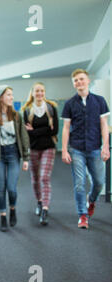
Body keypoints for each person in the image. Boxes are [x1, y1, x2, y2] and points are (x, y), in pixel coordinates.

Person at [61, 69, 110, 229]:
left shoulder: (99, 101)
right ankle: (82, 215)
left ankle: (92, 200)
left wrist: (105, 146)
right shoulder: (69, 104)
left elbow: (104, 125)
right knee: (79, 183)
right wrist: (64, 149)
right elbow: (66, 128)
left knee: (99, 182)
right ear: (73, 84)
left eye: (81, 79)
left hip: (95, 148)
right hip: (77, 149)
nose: (79, 82)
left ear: (88, 80)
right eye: (75, 80)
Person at [0, 86, 30, 232]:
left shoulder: (16, 116)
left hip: (13, 154)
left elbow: (23, 136)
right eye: (9, 94)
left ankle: (13, 209)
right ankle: (3, 215)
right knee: (1, 188)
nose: (11, 97)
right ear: (1, 97)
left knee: (12, 188)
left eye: (11, 94)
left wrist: (26, 158)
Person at [22, 82, 58, 225]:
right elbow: (27, 133)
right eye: (37, 91)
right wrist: (45, 129)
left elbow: (54, 131)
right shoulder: (26, 110)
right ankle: (39, 201)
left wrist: (35, 131)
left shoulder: (51, 108)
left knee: (44, 177)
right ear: (32, 93)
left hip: (49, 147)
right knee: (35, 178)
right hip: (33, 148)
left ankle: (45, 208)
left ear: (44, 92)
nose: (40, 93)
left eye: (42, 91)